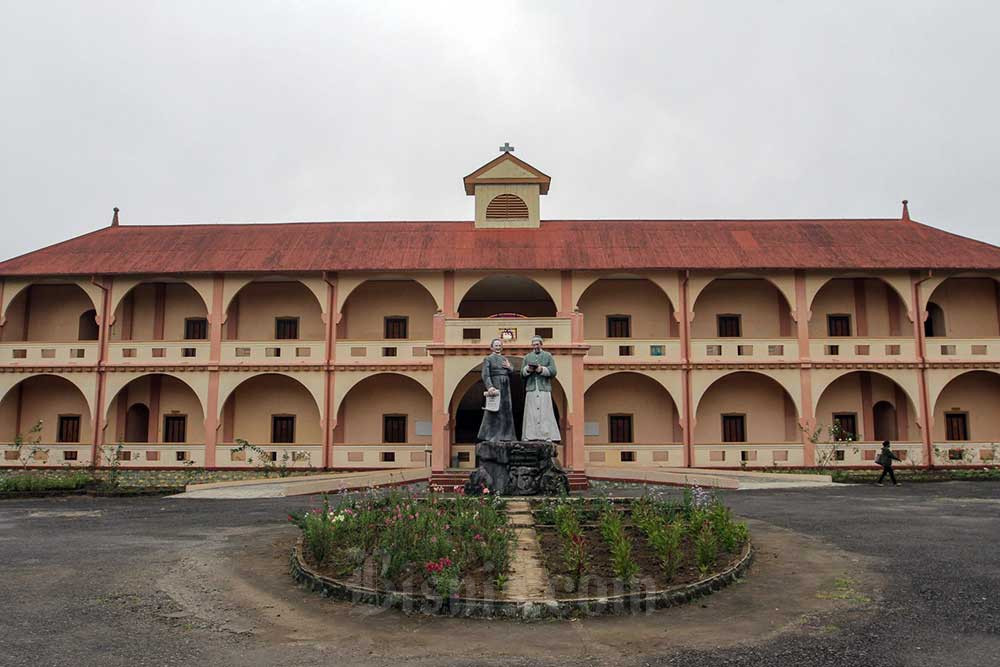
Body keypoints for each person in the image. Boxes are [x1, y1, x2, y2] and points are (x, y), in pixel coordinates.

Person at [521, 335, 560, 442]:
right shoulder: (527, 357)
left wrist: (541, 369)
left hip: (544, 388)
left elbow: (553, 371)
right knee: (531, 413)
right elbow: (521, 374)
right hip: (532, 388)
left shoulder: (548, 356)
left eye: (537, 344)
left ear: (541, 344)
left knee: (545, 412)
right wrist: (528, 369)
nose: (535, 346)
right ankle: (530, 435)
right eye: (533, 344)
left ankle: (546, 435)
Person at [477, 338, 517, 442]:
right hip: (495, 385)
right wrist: (490, 386)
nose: (498, 347)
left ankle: (507, 436)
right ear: (491, 347)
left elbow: (512, 372)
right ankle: (491, 435)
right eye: (496, 345)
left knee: (506, 410)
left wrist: (509, 367)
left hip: (505, 385)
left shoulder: (505, 359)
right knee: (494, 410)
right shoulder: (488, 359)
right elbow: (485, 374)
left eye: (499, 345)